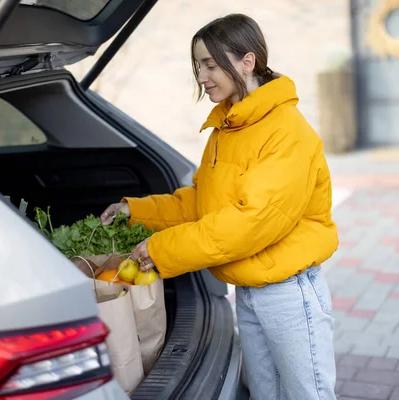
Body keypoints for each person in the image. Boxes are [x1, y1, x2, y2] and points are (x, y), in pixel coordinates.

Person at [101, 13, 338, 400]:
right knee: (264, 392)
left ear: (248, 61)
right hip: (249, 288)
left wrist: (162, 250)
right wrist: (138, 212)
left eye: (211, 64)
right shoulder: (230, 127)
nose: (201, 76)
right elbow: (205, 202)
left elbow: (251, 222)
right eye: (198, 65)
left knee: (306, 394)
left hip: (288, 292)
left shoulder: (286, 132)